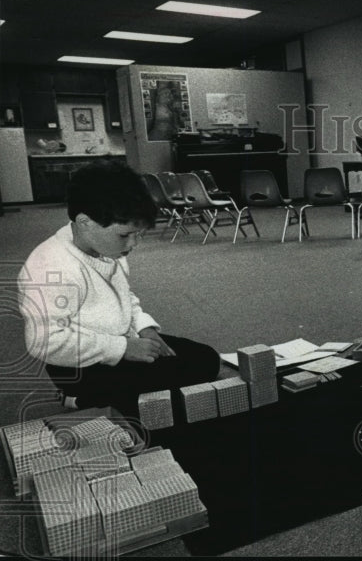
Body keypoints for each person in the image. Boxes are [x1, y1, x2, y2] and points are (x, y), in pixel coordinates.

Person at [17, 160, 220, 416]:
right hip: (77, 364)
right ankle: (79, 396)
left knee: (206, 359)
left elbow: (126, 297)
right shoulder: (50, 267)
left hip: (123, 339)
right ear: (84, 222)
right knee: (158, 402)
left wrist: (144, 327)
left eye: (139, 234)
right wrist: (121, 349)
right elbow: (44, 342)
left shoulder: (107, 249)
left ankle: (100, 396)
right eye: (125, 235)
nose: (133, 244)